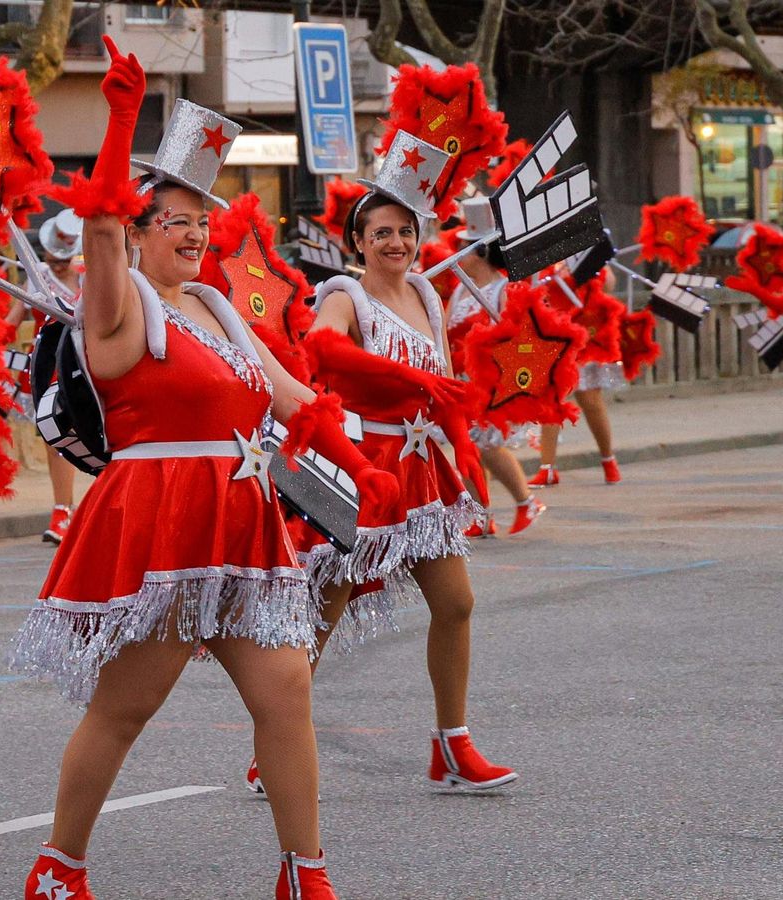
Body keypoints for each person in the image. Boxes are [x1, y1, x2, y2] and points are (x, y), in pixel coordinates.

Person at [9, 38, 397, 900]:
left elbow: (296, 398)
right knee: (125, 708)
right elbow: (102, 218)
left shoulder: (221, 311)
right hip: (165, 527)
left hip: (245, 523)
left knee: (287, 691)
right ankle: (59, 865)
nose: (195, 232)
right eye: (175, 220)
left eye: (203, 220)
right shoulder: (116, 311)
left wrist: (360, 470)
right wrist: (118, 118)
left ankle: (305, 873)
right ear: (141, 237)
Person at [264, 142, 514, 804]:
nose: (397, 242)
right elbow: (323, 348)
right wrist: (407, 376)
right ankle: (275, 743)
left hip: (423, 470)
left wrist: (465, 460)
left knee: (457, 603)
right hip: (360, 468)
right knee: (326, 612)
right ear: (360, 241)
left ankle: (452, 745)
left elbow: (448, 389)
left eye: (406, 231)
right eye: (383, 233)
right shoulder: (346, 293)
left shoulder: (429, 296)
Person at [445, 202, 546, 536]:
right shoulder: (460, 288)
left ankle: (525, 501)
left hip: (490, 379)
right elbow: (444, 331)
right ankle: (480, 514)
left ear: (481, 252)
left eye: (464, 247)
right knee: (468, 447)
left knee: (487, 445)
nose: (458, 252)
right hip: (461, 379)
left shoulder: (504, 289)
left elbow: (518, 337)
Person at [6, 209, 85, 545]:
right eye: (54, 258)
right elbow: (10, 320)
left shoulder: (90, 274)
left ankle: (100, 507)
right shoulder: (36, 276)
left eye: (65, 259)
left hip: (87, 362)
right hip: (48, 365)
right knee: (56, 438)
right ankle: (61, 510)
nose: (59, 265)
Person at [533, 265, 626, 487]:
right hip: (555, 331)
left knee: (590, 400)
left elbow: (609, 283)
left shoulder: (586, 253)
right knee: (551, 398)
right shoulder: (543, 255)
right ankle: (547, 468)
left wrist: (582, 273)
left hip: (585, 331)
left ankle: (608, 459)